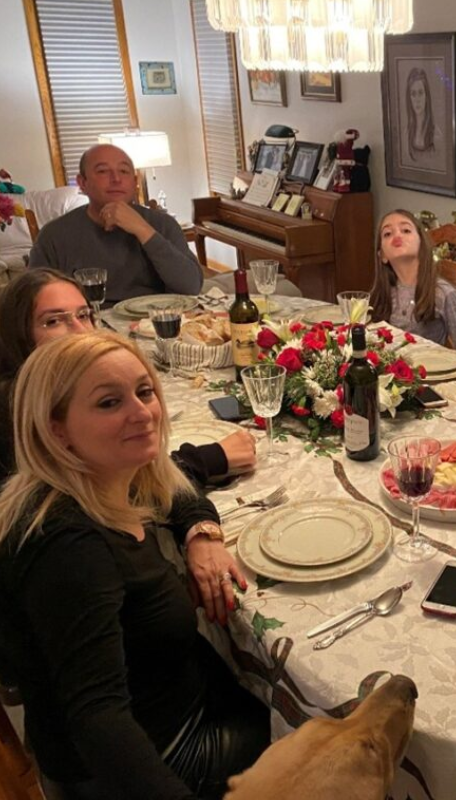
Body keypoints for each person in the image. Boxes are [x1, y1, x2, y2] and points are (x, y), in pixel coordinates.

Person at [0, 332, 269, 799]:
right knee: (328, 734)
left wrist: (201, 533)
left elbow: (172, 478)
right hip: (158, 756)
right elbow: (98, 720)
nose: (142, 413)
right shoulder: (68, 543)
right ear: (56, 427)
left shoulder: (99, 478)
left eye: (145, 392)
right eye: (109, 403)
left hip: (175, 703)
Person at [0, 269, 255, 488]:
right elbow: (113, 490)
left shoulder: (68, 385)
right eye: (53, 321)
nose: (80, 331)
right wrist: (208, 460)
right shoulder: (17, 411)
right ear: (18, 334)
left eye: (83, 315)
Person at [27, 144, 204, 303]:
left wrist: (142, 230)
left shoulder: (162, 224)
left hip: (156, 325)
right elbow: (35, 300)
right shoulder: (55, 235)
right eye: (103, 171)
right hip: (87, 329)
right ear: (82, 183)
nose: (116, 179)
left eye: (124, 171)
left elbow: (190, 287)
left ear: (135, 182)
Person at [368, 210, 456, 351]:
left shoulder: (443, 294)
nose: (397, 235)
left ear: (422, 244)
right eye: (387, 233)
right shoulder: (380, 293)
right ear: (382, 256)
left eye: (406, 230)